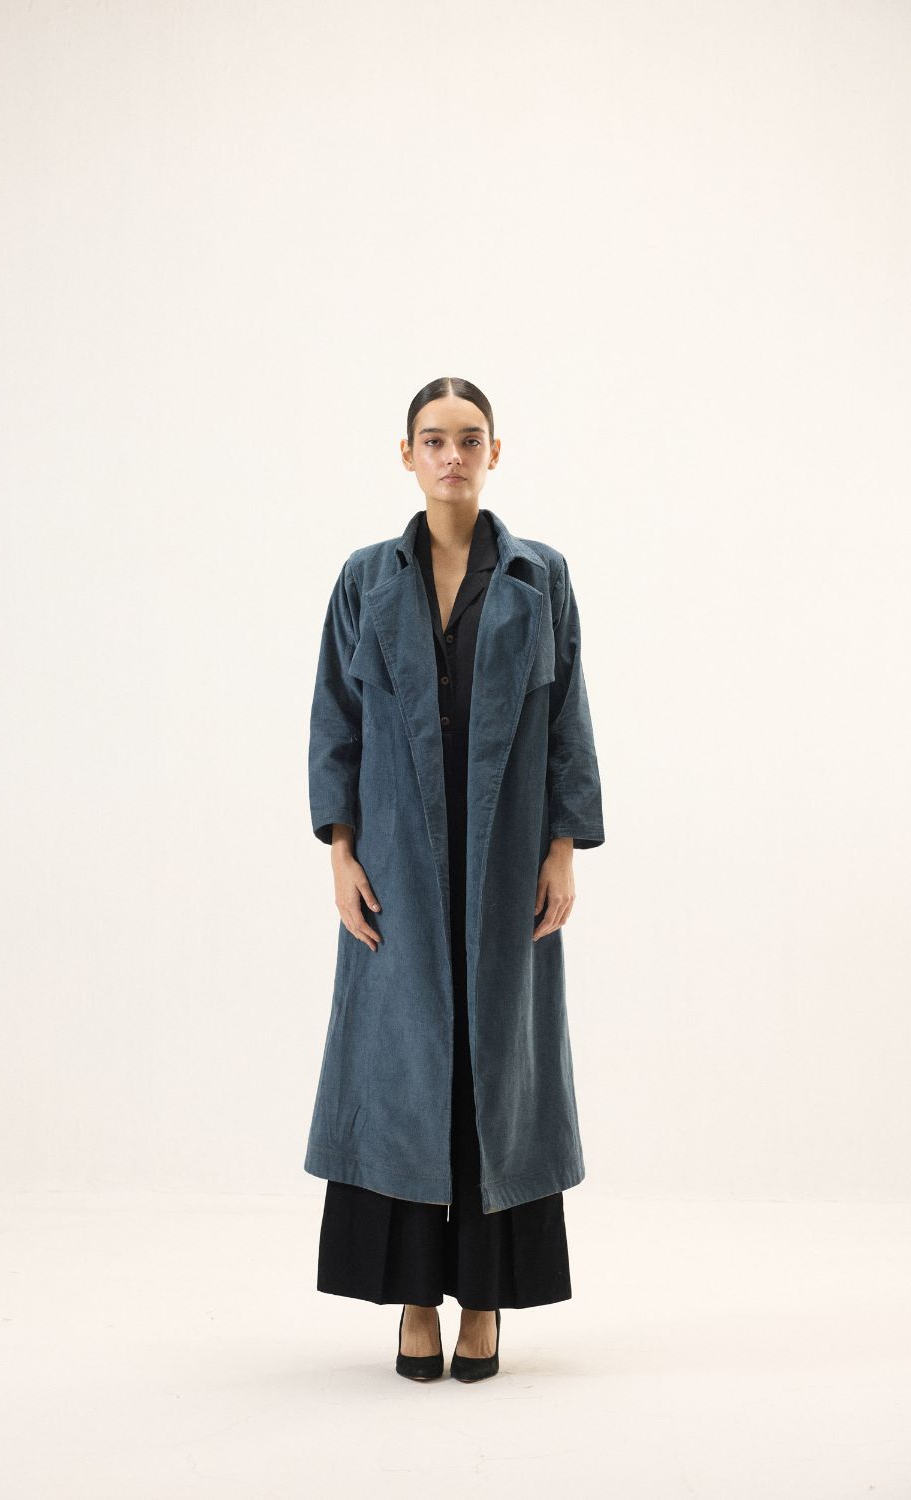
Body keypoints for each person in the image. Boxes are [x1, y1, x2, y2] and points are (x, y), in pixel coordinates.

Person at [305, 376, 605, 1382]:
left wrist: (562, 848)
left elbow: (568, 719)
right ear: (407, 454)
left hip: (507, 858)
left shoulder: (539, 577)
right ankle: (410, 1300)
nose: (451, 456)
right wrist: (340, 850)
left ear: (494, 452)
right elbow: (334, 720)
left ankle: (483, 1300)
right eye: (433, 439)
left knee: (495, 1069)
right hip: (396, 865)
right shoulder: (364, 580)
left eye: (468, 439)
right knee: (400, 1071)